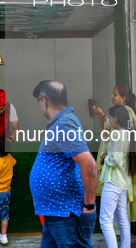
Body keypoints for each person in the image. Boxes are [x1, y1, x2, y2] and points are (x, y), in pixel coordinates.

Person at [29, 80, 97, 248]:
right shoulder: (62, 123)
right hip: (55, 210)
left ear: (44, 100)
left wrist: (89, 206)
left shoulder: (64, 124)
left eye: (39, 101)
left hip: (65, 213)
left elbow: (89, 165)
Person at [91, 84, 136, 225]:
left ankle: (116, 240)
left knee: (109, 219)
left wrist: (106, 158)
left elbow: (117, 137)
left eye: (115, 94)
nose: (111, 96)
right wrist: (102, 118)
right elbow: (110, 132)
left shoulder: (126, 112)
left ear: (124, 98)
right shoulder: (124, 115)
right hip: (119, 171)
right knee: (120, 216)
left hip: (116, 172)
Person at [98, 105, 136, 248]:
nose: (108, 120)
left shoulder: (119, 134)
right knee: (122, 218)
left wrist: (105, 157)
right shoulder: (127, 133)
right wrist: (107, 140)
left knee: (105, 220)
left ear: (116, 118)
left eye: (109, 117)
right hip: (123, 182)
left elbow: (115, 160)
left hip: (113, 181)